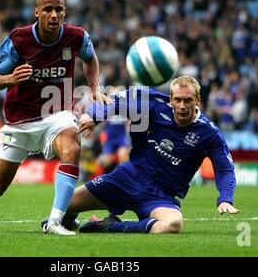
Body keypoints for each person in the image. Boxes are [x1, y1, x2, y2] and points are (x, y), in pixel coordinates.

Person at [0, 0, 110, 235]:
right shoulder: (19, 39)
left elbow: (90, 58)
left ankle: (55, 221)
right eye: (48, 9)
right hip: (19, 121)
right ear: (37, 12)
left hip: (57, 114)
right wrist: (11, 77)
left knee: (72, 147)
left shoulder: (76, 36)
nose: (54, 15)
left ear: (64, 12)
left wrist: (95, 89)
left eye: (59, 9)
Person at [46, 76, 240, 233]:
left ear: (197, 100)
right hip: (127, 177)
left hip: (160, 196)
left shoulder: (210, 133)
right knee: (61, 206)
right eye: (177, 100)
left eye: (188, 100)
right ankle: (69, 219)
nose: (182, 106)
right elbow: (120, 101)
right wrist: (95, 116)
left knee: (172, 224)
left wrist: (225, 198)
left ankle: (109, 226)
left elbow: (224, 169)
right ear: (170, 99)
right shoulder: (155, 108)